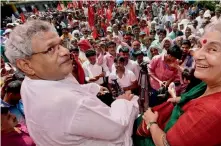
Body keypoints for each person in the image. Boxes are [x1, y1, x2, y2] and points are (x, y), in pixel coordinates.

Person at [5, 20, 139, 146]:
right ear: (26, 65)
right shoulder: (68, 102)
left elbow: (65, 88)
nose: (65, 51)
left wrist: (92, 88)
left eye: (60, 45)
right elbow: (117, 127)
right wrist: (123, 102)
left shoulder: (29, 83)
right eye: (50, 49)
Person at [134, 21, 221, 146]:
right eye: (200, 46)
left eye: (212, 49)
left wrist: (151, 123)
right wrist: (182, 99)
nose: (196, 55)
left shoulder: (213, 111)